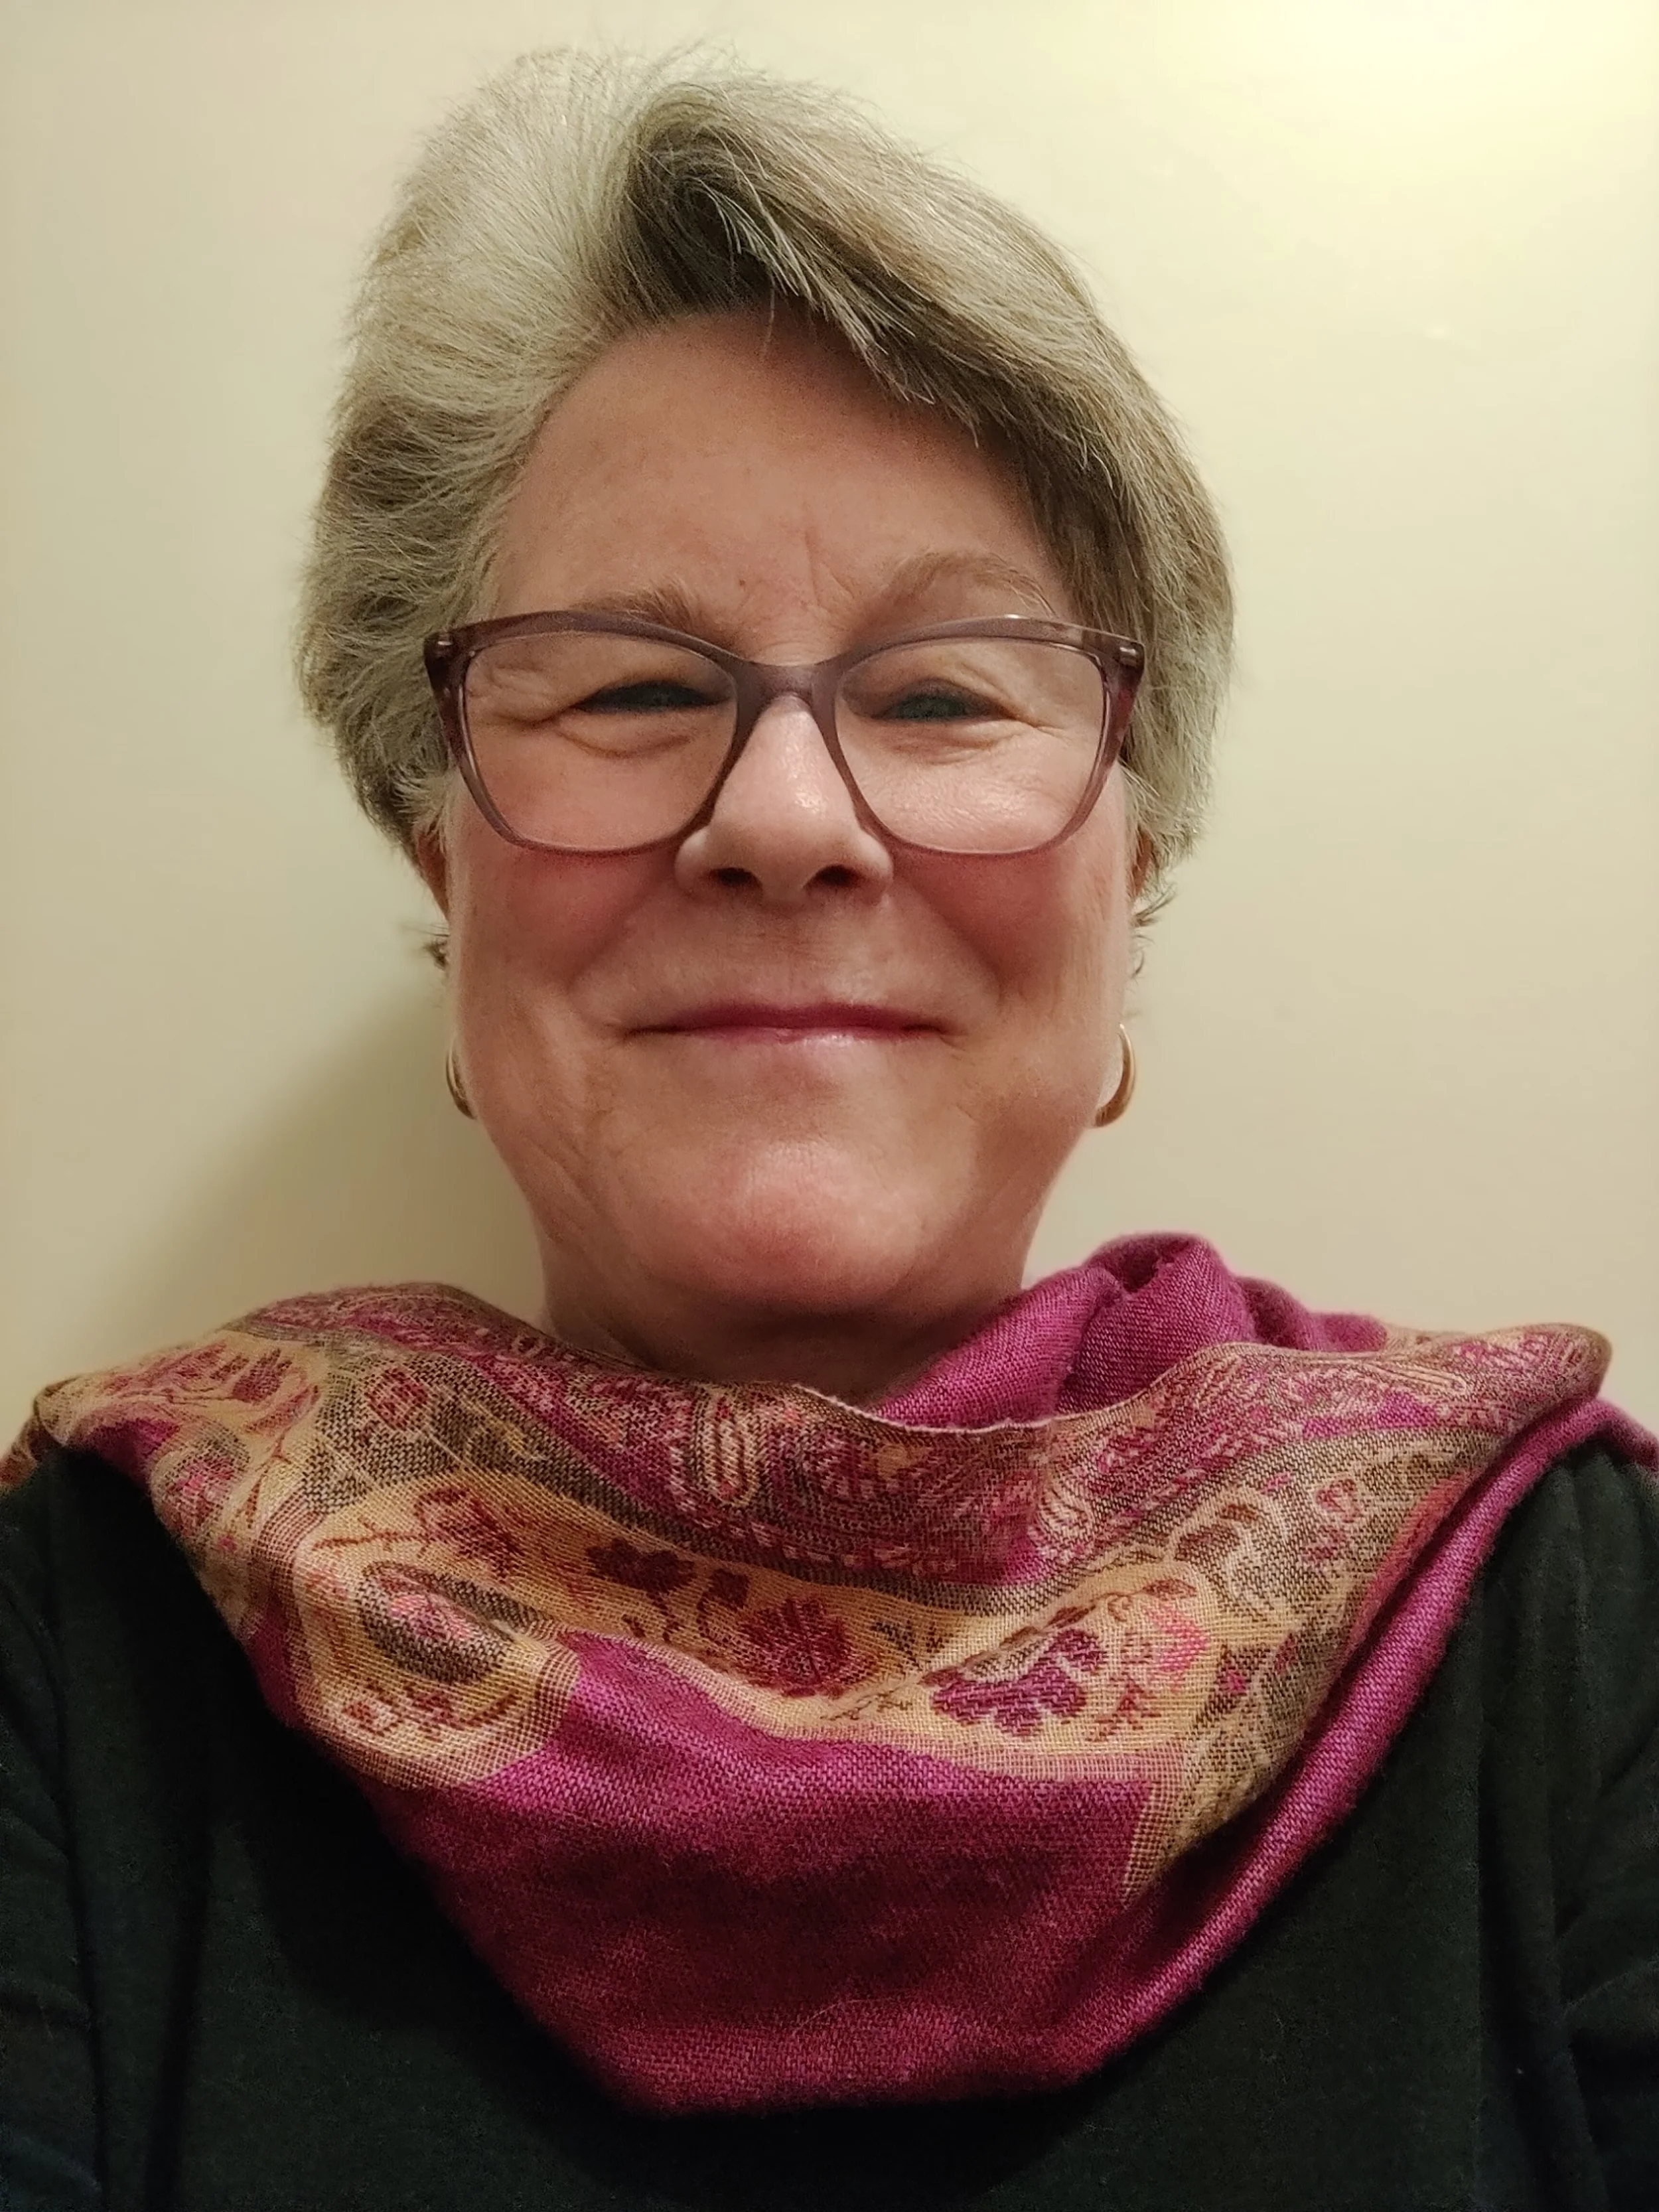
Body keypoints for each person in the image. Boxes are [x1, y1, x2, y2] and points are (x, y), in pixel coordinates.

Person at [2, 47, 1654, 2212]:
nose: (782, 819)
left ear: (1126, 894)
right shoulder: (90, 1637)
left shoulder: (1559, 1620)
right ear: (445, 873)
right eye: (627, 686)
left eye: (947, 690)